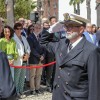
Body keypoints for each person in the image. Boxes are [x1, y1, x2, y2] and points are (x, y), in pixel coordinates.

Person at [40, 13, 100, 100]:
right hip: (59, 95)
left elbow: (94, 84)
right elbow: (43, 43)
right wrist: (50, 30)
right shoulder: (61, 44)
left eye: (71, 26)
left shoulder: (91, 50)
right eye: (66, 26)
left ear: (81, 29)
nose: (67, 29)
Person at [0, 19, 17, 100]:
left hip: (11, 60)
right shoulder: (1, 41)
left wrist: (14, 58)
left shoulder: (13, 41)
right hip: (3, 60)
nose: (7, 33)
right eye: (5, 31)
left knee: (11, 77)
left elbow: (15, 51)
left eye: (8, 31)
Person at [13, 22, 30, 98]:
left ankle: (21, 91)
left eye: (21, 28)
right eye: (17, 29)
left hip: (25, 60)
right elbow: (14, 50)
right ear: (14, 29)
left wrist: (28, 54)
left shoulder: (23, 37)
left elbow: (28, 47)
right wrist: (22, 55)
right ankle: (16, 93)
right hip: (18, 60)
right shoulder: (12, 38)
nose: (19, 30)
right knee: (16, 78)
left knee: (22, 77)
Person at [27, 23, 45, 95]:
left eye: (39, 28)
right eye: (36, 27)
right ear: (33, 28)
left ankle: (37, 88)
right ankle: (32, 89)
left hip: (41, 59)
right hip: (34, 59)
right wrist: (39, 56)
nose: (37, 29)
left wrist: (43, 55)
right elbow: (31, 49)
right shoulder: (30, 37)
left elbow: (44, 47)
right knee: (32, 75)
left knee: (39, 75)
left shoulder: (41, 37)